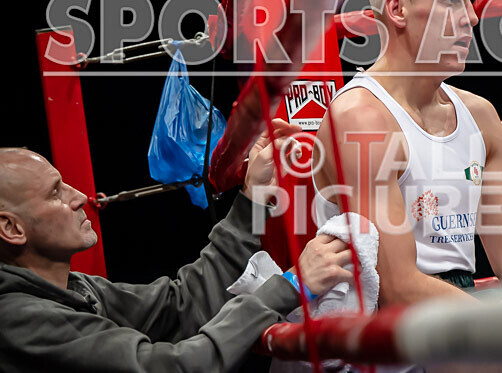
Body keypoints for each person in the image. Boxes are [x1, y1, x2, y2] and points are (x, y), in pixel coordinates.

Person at [0, 122, 354, 371]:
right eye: (55, 192)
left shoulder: (74, 289)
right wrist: (289, 286)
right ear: (11, 228)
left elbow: (184, 306)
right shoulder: (19, 322)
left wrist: (252, 199)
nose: (79, 197)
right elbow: (174, 368)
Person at [312, 0, 502, 305]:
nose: (471, 17)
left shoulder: (479, 116)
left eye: (471, 1)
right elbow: (397, 287)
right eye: (452, 0)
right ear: (397, 10)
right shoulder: (362, 118)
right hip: (387, 337)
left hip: (458, 316)